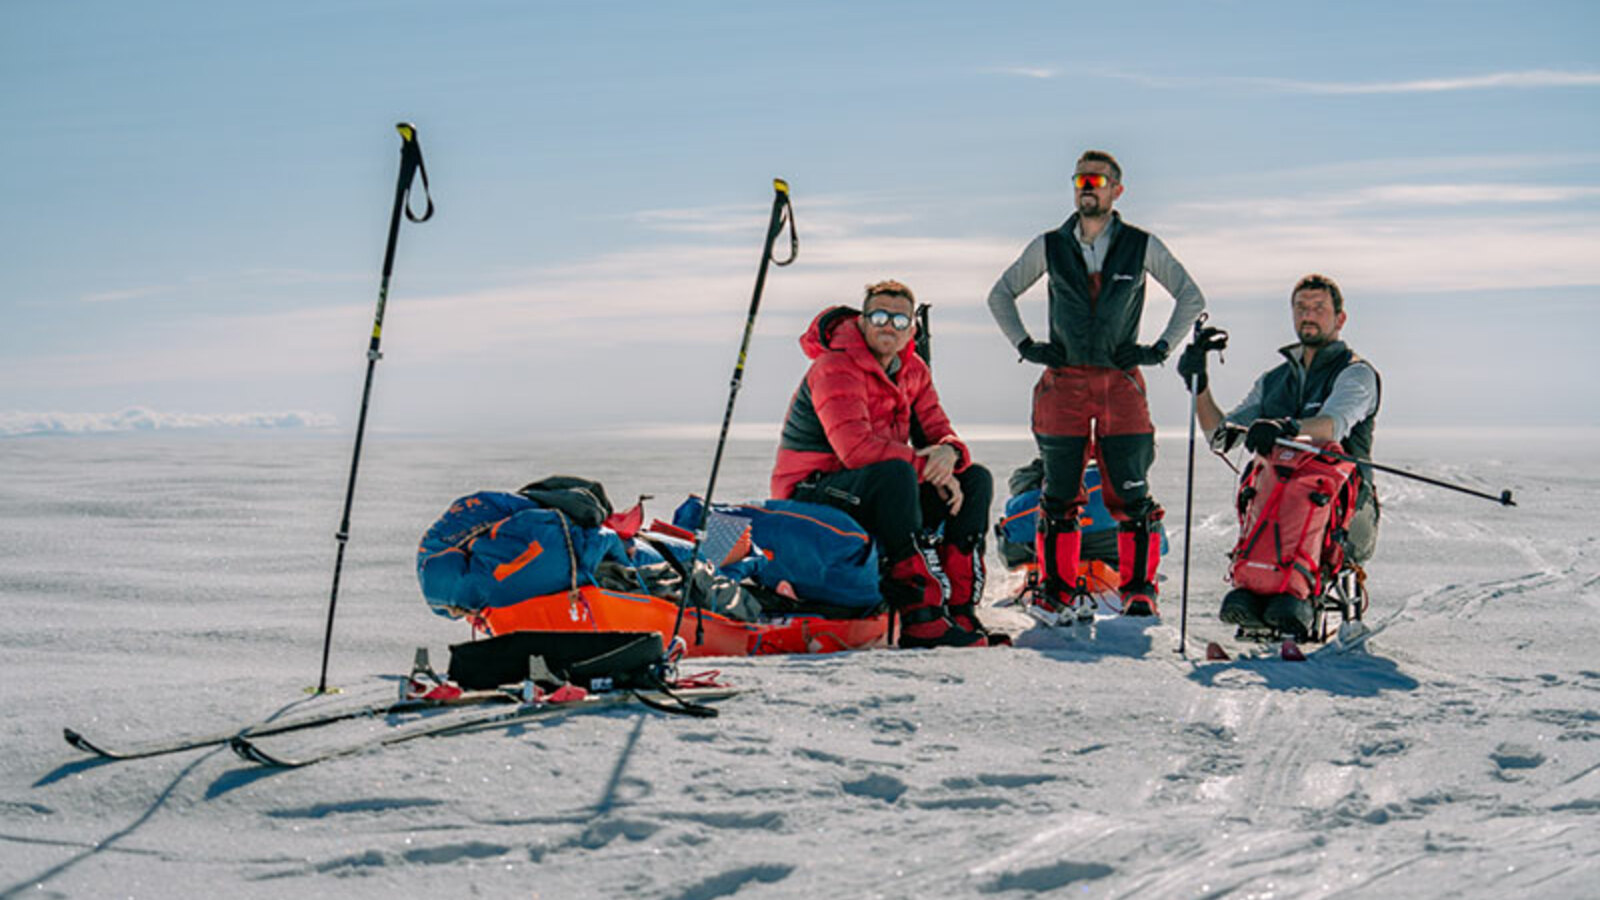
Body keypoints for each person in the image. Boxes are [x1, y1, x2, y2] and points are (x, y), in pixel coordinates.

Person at [987, 150, 1206, 617]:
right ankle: (1057, 590)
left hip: (1119, 385)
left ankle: (1139, 590)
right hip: (1062, 385)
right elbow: (1000, 294)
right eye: (1081, 180)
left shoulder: (1140, 245)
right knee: (1059, 494)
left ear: (1116, 190)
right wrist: (1026, 345)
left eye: (1098, 181)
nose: (1088, 188)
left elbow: (1191, 296)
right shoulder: (1050, 245)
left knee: (1131, 493)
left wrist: (1159, 349)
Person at [771, 280, 997, 649]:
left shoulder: (913, 370)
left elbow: (937, 430)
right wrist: (929, 469)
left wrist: (950, 455)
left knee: (974, 480)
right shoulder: (834, 367)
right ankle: (919, 616)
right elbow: (856, 450)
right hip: (812, 490)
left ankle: (959, 611)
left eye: (899, 319)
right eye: (878, 316)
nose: (888, 326)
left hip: (878, 486)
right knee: (897, 475)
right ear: (862, 321)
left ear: (912, 329)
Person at [1178, 272, 1381, 637]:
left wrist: (1286, 428)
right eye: (1301, 307)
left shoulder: (1356, 375)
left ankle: (1295, 599)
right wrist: (1200, 386)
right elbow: (1221, 437)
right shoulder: (1273, 381)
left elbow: (1333, 426)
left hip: (1345, 512)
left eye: (1319, 307)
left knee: (1301, 506)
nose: (1308, 315)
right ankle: (1258, 595)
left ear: (1340, 319)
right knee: (1271, 500)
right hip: (1275, 507)